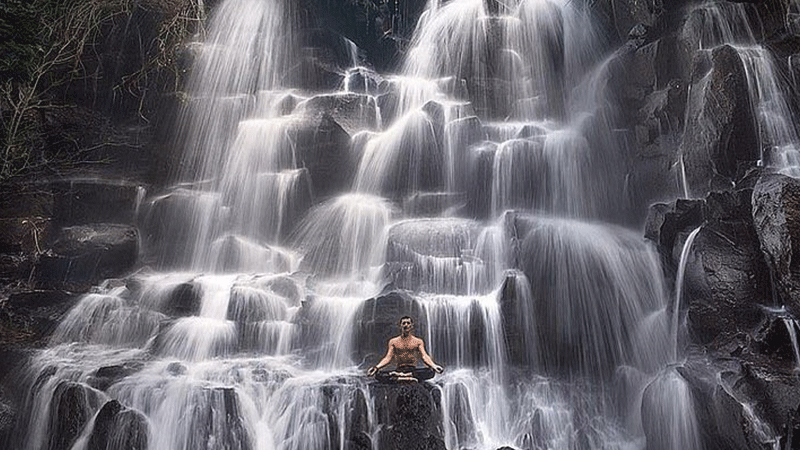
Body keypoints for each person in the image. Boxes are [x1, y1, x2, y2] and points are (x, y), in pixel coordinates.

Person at [367, 316, 444, 382]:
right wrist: (376, 367)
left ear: (411, 326)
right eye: (403, 323)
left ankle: (400, 377)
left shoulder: (418, 341)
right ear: (400, 326)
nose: (406, 325)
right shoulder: (393, 341)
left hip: (412, 370)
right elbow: (388, 358)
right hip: (399, 369)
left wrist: (434, 366)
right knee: (378, 375)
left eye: (408, 323)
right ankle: (407, 376)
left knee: (430, 371)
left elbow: (424, 356)